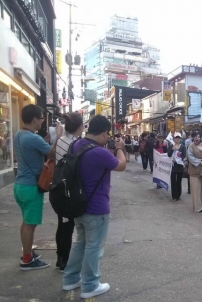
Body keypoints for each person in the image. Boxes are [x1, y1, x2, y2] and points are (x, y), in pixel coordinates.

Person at [62, 115, 126, 299]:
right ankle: (90, 284)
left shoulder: (76, 144)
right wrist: (120, 148)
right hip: (96, 207)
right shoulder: (100, 152)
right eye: (108, 135)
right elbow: (121, 165)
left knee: (81, 242)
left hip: (78, 205)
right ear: (105, 132)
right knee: (94, 247)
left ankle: (70, 278)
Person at [14, 104, 62, 270]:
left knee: (26, 222)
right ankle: (27, 260)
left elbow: (36, 149)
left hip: (20, 185)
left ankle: (27, 253)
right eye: (42, 118)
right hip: (31, 187)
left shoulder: (19, 134)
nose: (42, 121)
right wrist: (58, 138)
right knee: (30, 223)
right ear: (34, 119)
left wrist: (47, 139)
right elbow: (54, 153)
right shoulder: (33, 138)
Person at [54, 112, 84, 271]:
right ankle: (64, 260)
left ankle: (61, 257)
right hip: (69, 190)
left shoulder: (60, 141)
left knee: (63, 224)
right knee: (68, 226)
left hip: (58, 186)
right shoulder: (77, 144)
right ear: (80, 126)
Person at [187, 132, 202, 212]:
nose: (196, 138)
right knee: (196, 189)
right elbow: (190, 158)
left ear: (201, 138)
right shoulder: (190, 147)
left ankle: (201, 205)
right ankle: (197, 207)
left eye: (198, 137)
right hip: (194, 171)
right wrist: (200, 162)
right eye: (195, 137)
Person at [167, 132, 186, 201]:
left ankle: (178, 195)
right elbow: (168, 155)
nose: (177, 139)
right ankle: (174, 196)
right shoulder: (171, 146)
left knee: (179, 181)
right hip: (172, 166)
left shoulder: (183, 147)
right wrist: (172, 149)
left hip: (180, 166)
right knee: (173, 181)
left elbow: (184, 155)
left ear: (180, 139)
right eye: (176, 138)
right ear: (174, 139)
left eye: (178, 138)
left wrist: (178, 159)